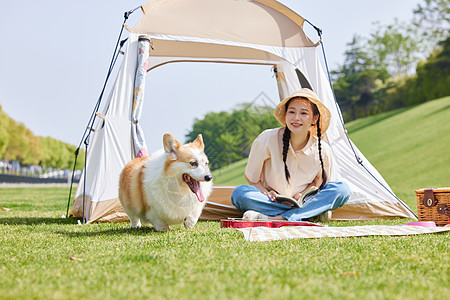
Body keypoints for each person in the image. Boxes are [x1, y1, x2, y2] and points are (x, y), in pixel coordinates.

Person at [231, 88, 351, 222]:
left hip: (303, 201)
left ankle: (278, 218)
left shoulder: (322, 150)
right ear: (286, 116)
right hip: (270, 201)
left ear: (314, 118)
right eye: (291, 112)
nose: (296, 118)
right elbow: (252, 178)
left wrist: (301, 195)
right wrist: (266, 192)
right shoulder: (267, 139)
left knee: (342, 189)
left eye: (304, 113)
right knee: (240, 194)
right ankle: (309, 214)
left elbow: (319, 184)